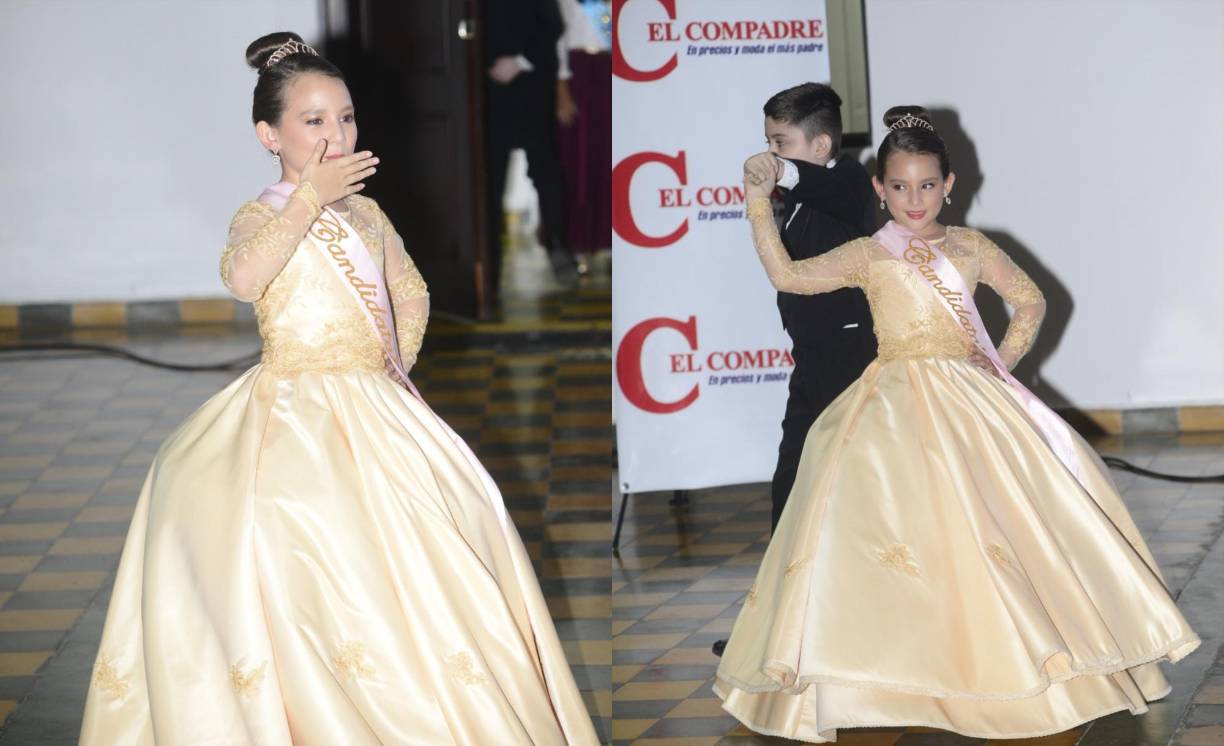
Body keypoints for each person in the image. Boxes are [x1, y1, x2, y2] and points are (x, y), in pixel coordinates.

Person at [78, 33, 598, 745]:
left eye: (346, 117)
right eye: (313, 121)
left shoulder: (368, 214)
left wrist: (388, 367)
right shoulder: (260, 214)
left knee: (431, 549)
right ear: (269, 134)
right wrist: (306, 202)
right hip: (289, 408)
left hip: (371, 400)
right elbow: (244, 278)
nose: (336, 133)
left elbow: (409, 291)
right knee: (291, 545)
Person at [713, 106, 1199, 741]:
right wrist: (757, 201)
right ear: (878, 189)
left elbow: (1029, 298)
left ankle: (1011, 665)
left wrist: (1000, 358)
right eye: (898, 186)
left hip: (970, 401)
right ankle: (890, 671)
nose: (913, 200)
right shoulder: (867, 252)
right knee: (889, 535)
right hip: (886, 403)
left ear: (949, 185)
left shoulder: (971, 246)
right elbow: (788, 276)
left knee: (994, 531)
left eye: (926, 185)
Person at [713, 82, 877, 658]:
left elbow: (823, 184)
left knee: (842, 489)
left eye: (780, 142)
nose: (770, 153)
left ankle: (844, 623)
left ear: (821, 142)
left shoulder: (852, 181)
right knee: (790, 482)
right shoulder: (800, 190)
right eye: (767, 142)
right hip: (811, 360)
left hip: (853, 359)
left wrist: (776, 175)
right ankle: (780, 626)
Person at [482, 0, 577, 298]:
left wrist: (519, 62)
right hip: (487, 92)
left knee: (545, 172)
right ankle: (489, 263)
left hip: (531, 86)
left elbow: (553, 26)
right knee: (489, 179)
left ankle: (558, 246)